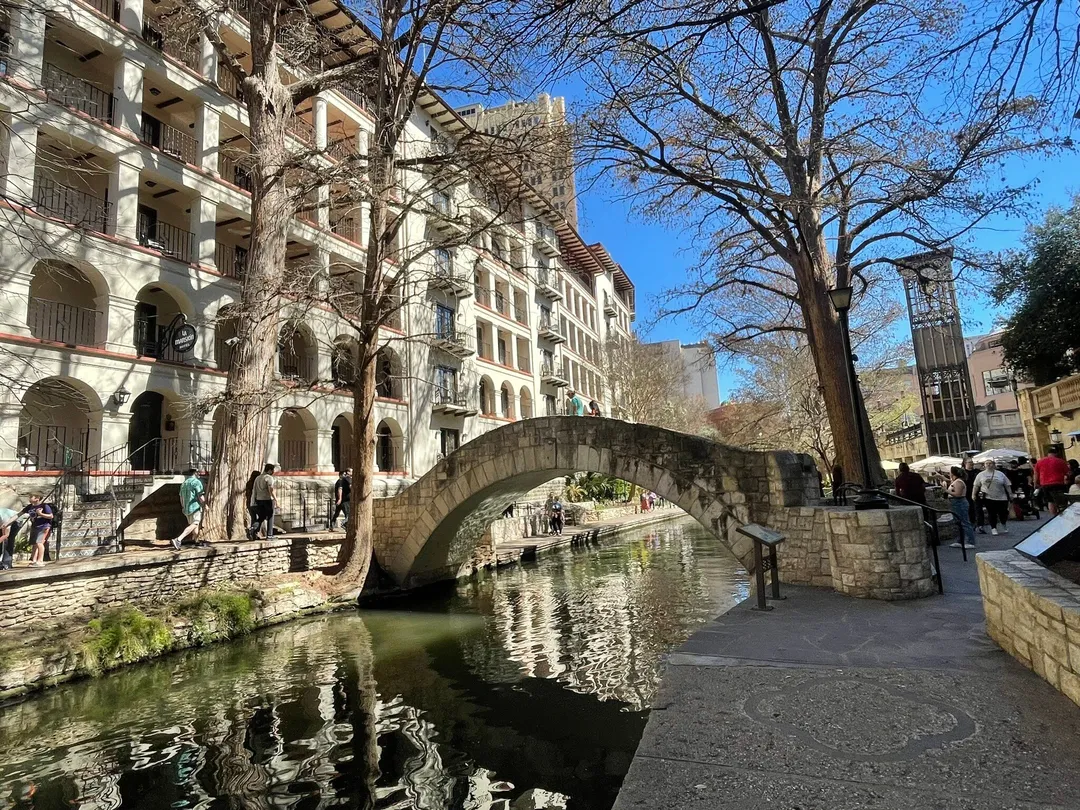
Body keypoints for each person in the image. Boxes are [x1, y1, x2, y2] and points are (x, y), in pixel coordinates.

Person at [1, 494, 53, 567]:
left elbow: (51, 516)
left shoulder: (44, 506)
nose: (29, 498)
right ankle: (34, 560)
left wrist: (40, 514)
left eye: (31, 497)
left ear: (37, 498)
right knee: (34, 543)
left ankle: (40, 561)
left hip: (43, 526)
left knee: (39, 543)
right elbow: (18, 515)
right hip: (35, 526)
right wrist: (7, 523)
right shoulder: (30, 506)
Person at [973, 460, 1013, 536]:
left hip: (1001, 497)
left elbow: (1007, 484)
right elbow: (976, 485)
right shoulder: (981, 475)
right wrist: (973, 494)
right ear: (984, 465)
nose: (988, 465)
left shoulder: (1000, 474)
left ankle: (1003, 523)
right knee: (992, 513)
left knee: (1003, 513)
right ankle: (993, 528)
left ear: (994, 465)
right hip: (988, 497)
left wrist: (1010, 494)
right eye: (987, 463)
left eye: (990, 463)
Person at [172, 469, 207, 550]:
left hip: (186, 508)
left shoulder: (184, 483)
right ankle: (178, 539)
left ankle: (196, 541)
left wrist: (183, 507)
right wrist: (205, 505)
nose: (199, 474)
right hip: (195, 507)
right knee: (195, 523)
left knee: (194, 525)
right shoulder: (196, 482)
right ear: (195, 473)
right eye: (198, 472)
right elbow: (200, 496)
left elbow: (181, 497)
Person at [947, 466, 977, 550]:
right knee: (958, 522)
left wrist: (946, 490)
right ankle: (960, 540)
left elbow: (958, 494)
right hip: (955, 503)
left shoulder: (959, 482)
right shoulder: (955, 481)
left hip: (959, 502)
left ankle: (970, 541)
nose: (949, 474)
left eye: (950, 473)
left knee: (965, 522)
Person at [1034, 447, 1071, 515]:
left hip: (1045, 484)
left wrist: (1035, 483)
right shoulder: (1061, 461)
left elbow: (1036, 474)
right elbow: (1068, 473)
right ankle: (1062, 515)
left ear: (1048, 454)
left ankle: (1054, 516)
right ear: (1056, 454)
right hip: (1058, 484)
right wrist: (1067, 480)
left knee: (1050, 501)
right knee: (1061, 501)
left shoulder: (1039, 462)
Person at [249, 463, 278, 540]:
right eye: (273, 470)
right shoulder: (269, 478)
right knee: (270, 516)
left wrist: (254, 500)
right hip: (267, 499)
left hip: (258, 500)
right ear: (269, 470)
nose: (273, 472)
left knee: (262, 516)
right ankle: (269, 535)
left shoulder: (257, 478)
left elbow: (254, 490)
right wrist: (275, 499)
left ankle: (253, 528)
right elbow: (271, 490)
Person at [961, 457, 983, 534]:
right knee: (970, 509)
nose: (972, 464)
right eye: (969, 462)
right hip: (966, 493)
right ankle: (972, 524)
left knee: (979, 509)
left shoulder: (977, 472)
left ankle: (980, 525)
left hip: (977, 492)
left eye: (972, 462)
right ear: (965, 463)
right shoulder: (962, 472)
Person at [0, 505, 18, 570]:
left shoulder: (4, 518)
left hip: (14, 521)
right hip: (3, 522)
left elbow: (6, 535)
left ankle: (6, 563)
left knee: (9, 540)